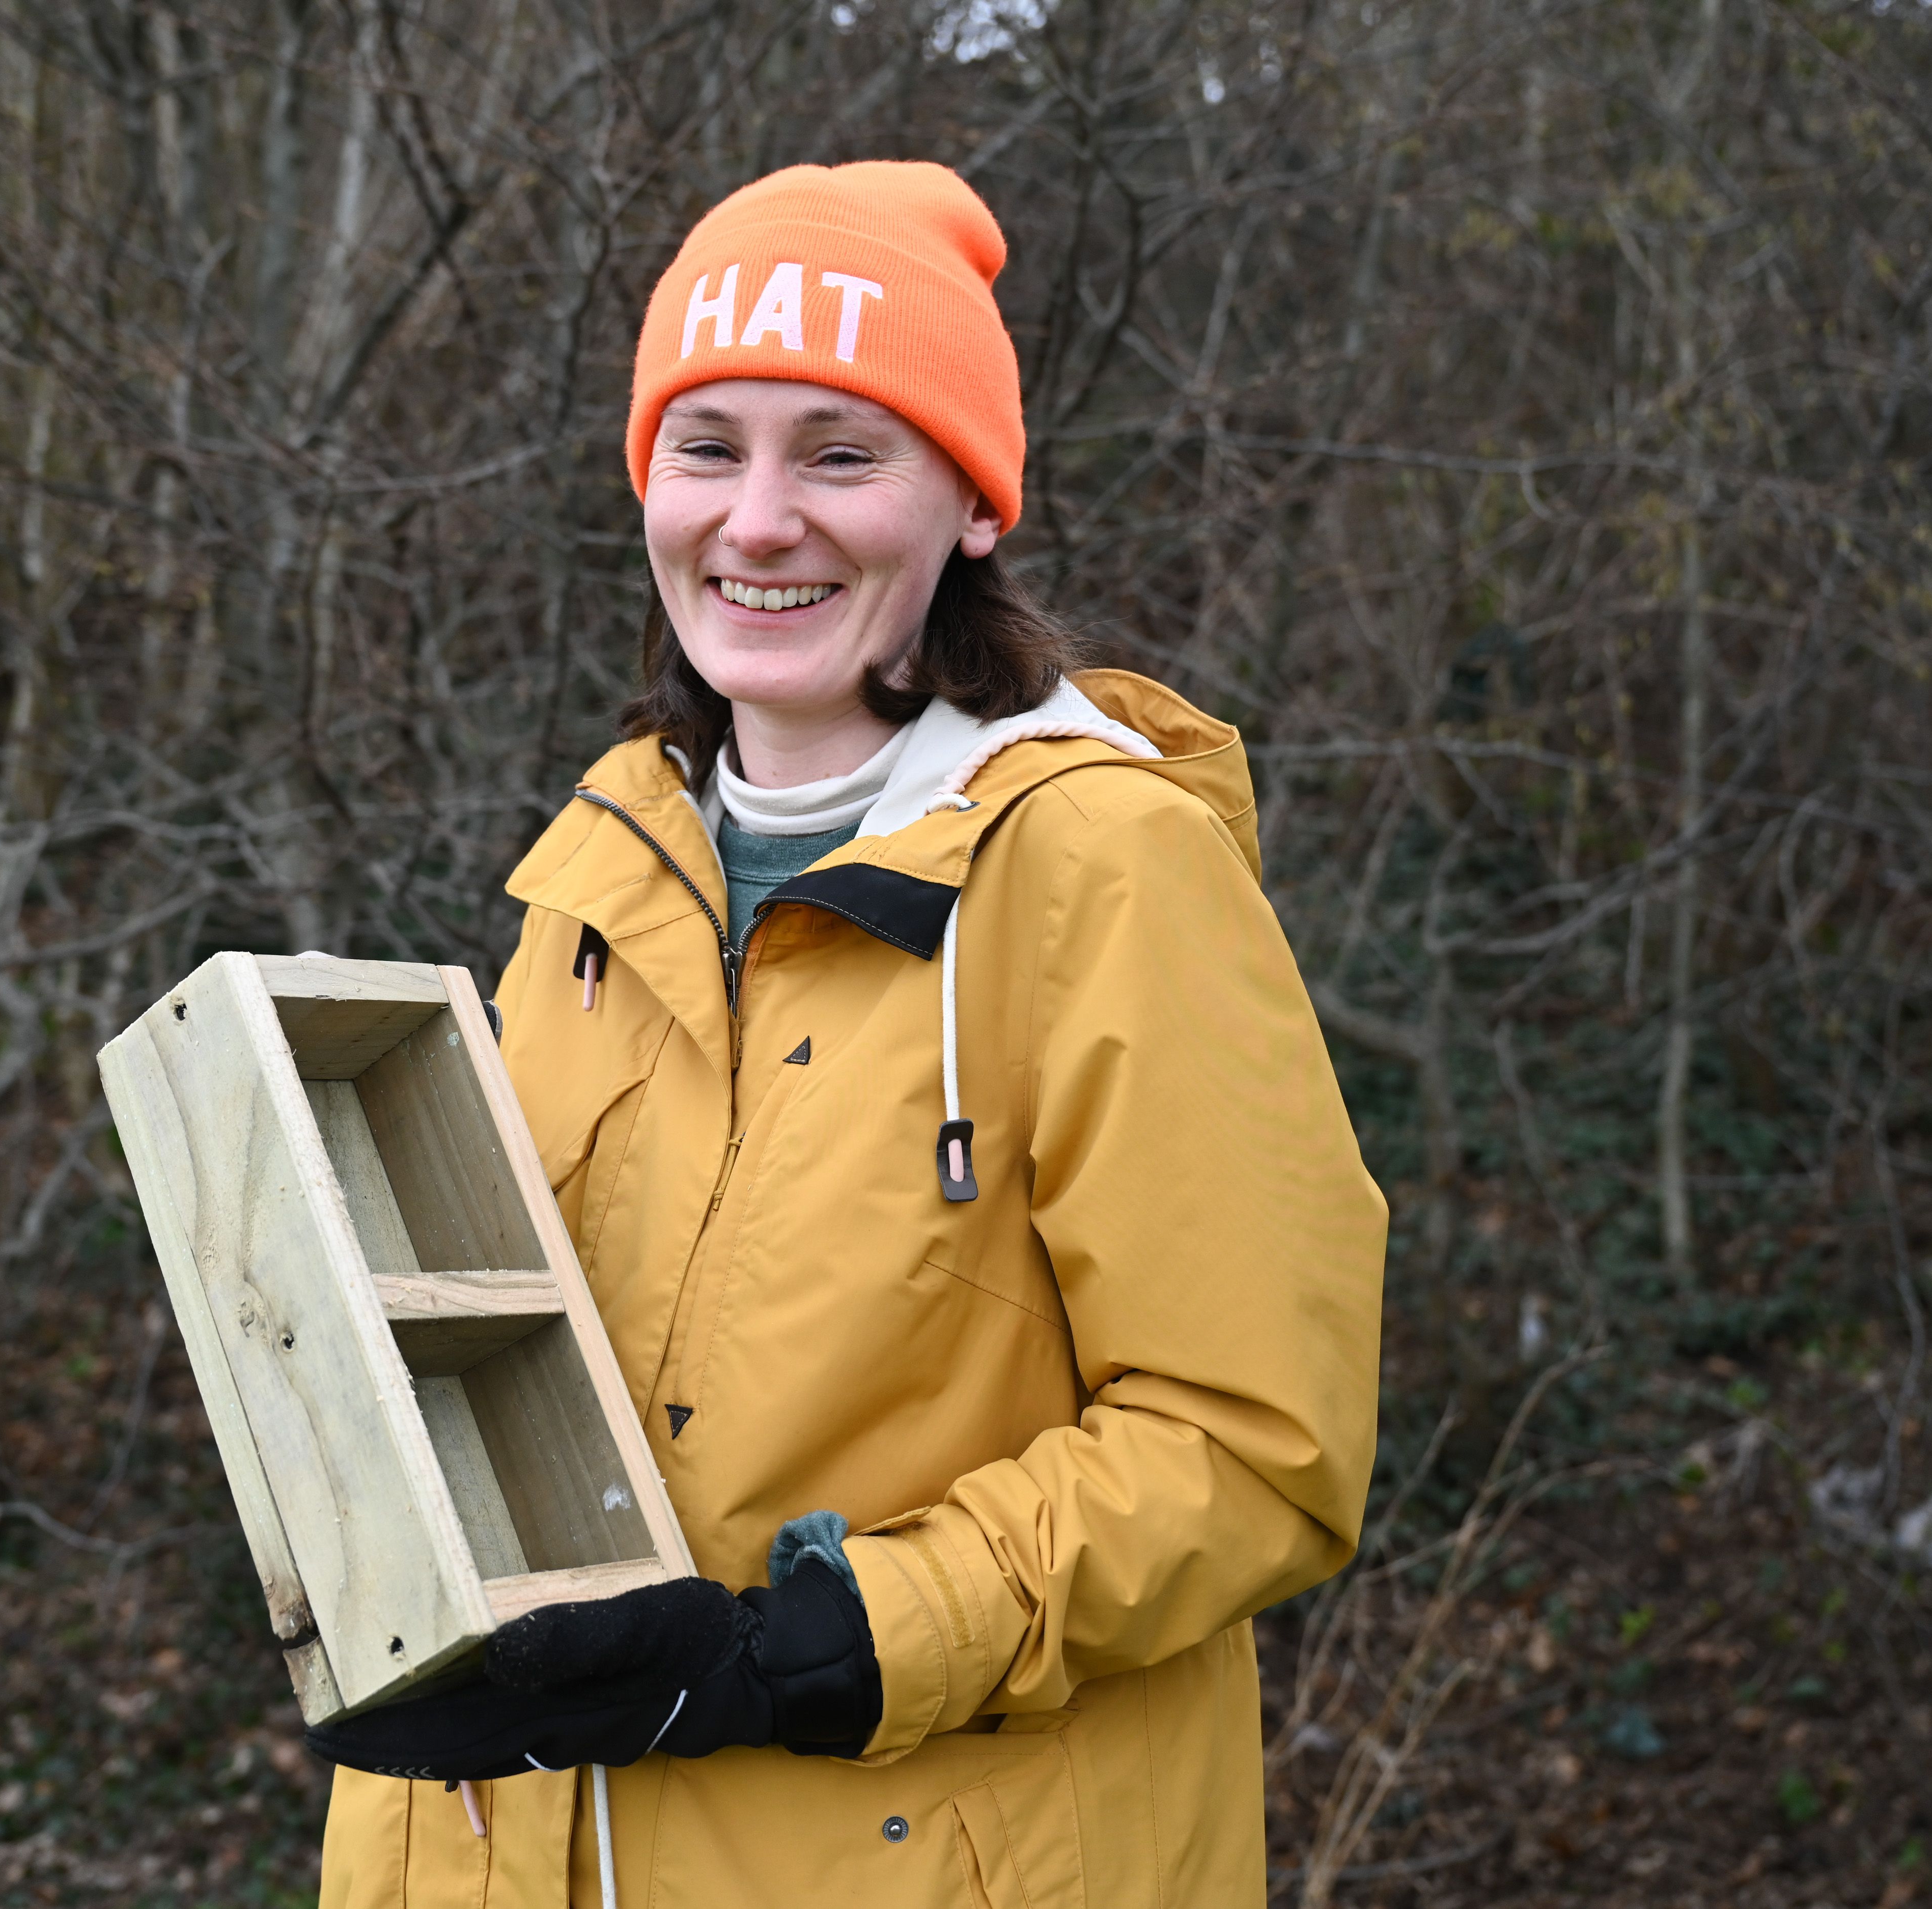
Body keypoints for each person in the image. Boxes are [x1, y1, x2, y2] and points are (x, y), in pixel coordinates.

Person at [310, 160, 1386, 1908]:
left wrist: (825, 1642)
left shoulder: (1106, 867)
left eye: (842, 452)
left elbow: (1256, 1444)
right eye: (709, 446)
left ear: (970, 501)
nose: (756, 521)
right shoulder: (599, 870)